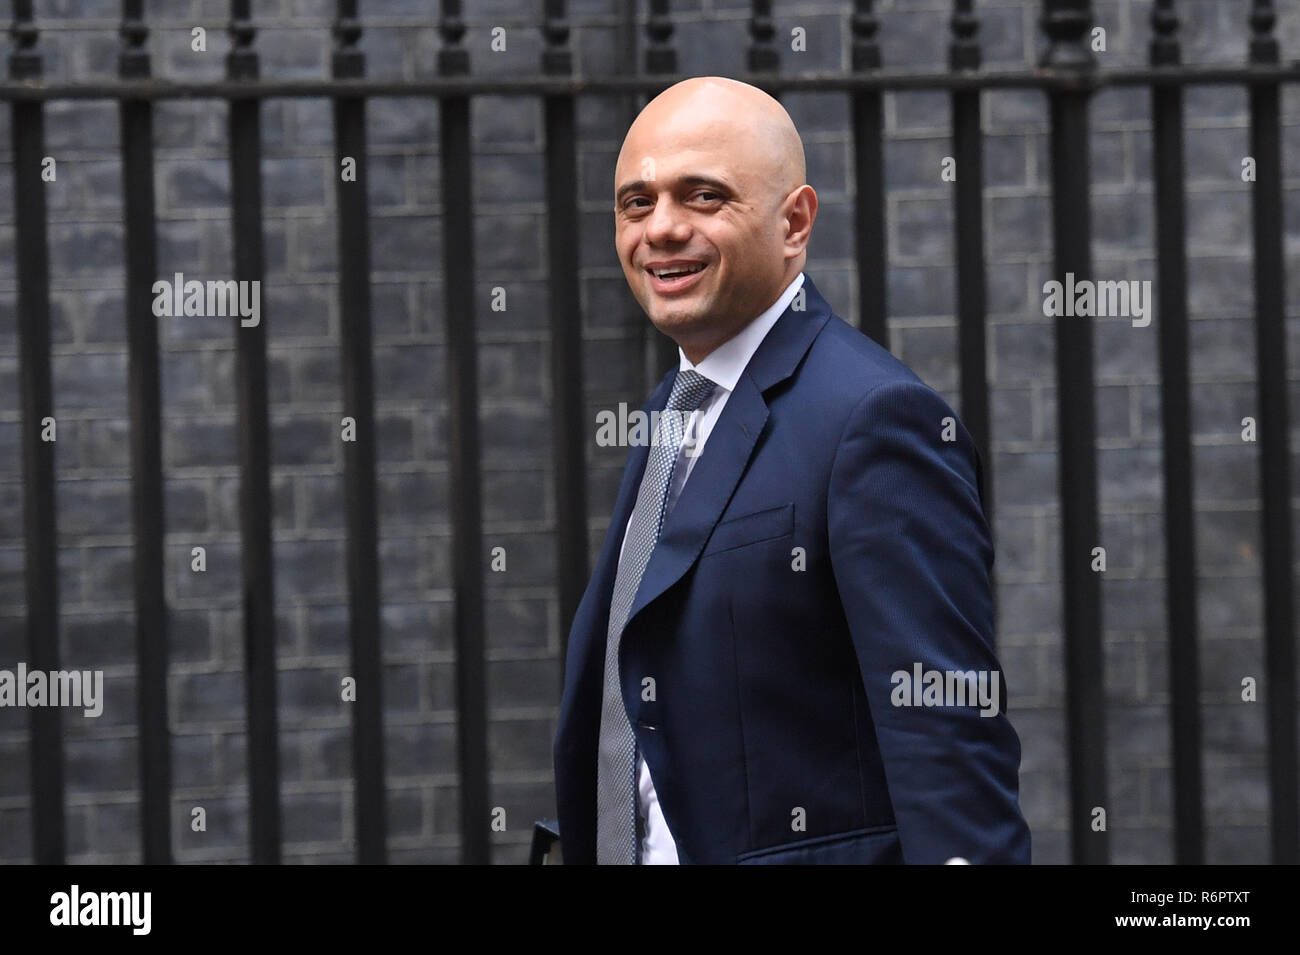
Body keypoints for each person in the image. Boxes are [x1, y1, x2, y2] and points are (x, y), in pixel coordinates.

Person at [553, 76, 1031, 864]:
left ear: (794, 221)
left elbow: (947, 742)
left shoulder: (874, 421)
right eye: (636, 204)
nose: (661, 228)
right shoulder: (672, 410)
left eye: (702, 196)